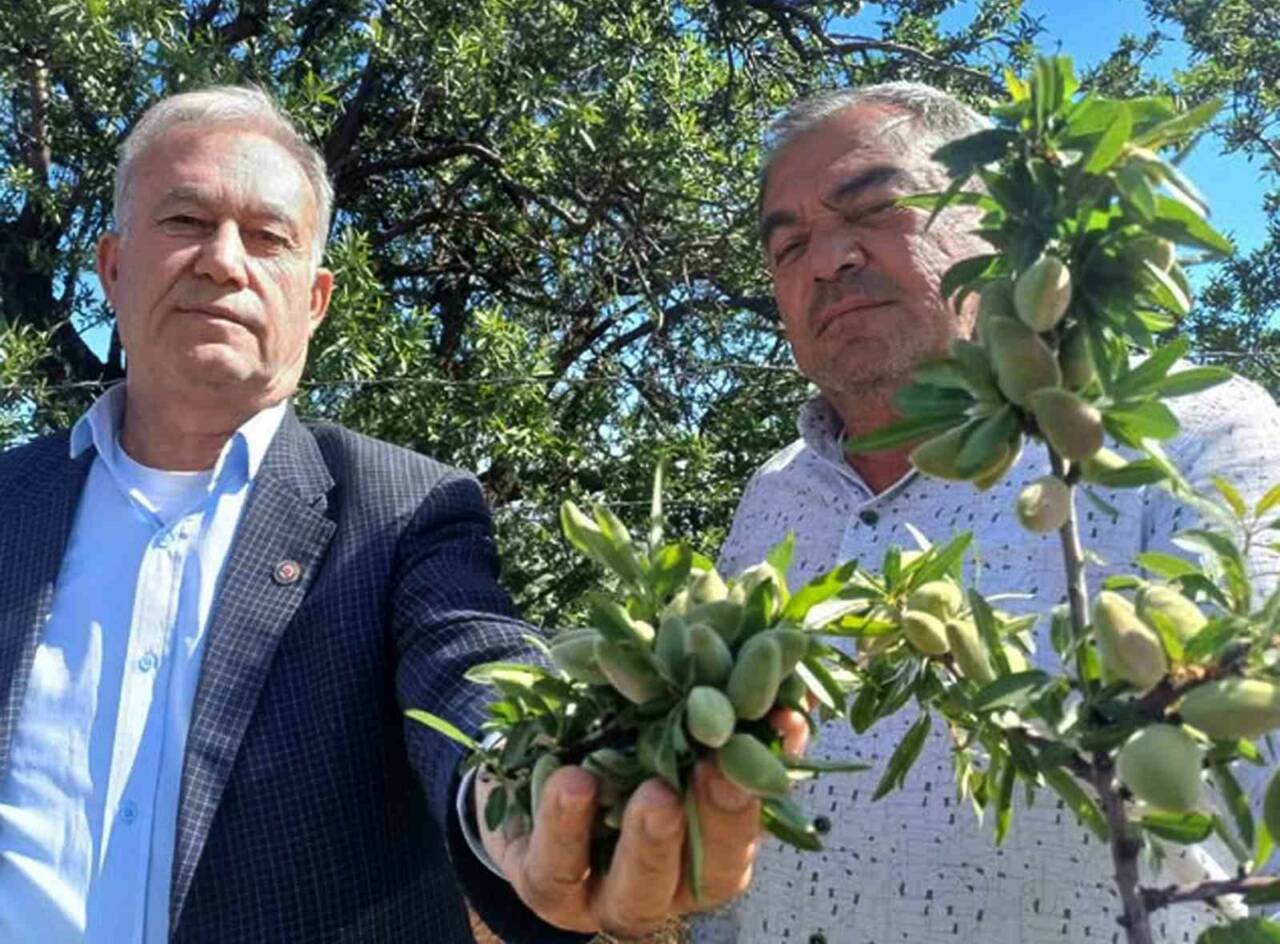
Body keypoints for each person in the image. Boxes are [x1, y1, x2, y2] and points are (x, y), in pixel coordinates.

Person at [0, 86, 784, 943]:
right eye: (185, 221)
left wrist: (535, 802)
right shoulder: (12, 502)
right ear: (113, 267)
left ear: (315, 300)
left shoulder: (403, 511)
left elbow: (470, 670)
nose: (223, 261)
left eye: (267, 237)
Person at [693, 84, 1280, 943]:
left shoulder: (1195, 440)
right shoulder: (774, 495)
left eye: (875, 209)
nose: (827, 261)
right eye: (789, 247)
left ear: (996, 229)